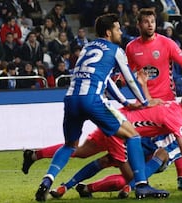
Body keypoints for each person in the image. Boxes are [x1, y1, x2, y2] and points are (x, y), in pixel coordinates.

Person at [34, 13, 167, 202]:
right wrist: (145, 102)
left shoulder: (87, 48)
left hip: (71, 98)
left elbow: (107, 81)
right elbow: (129, 78)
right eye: (117, 28)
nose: (120, 32)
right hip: (92, 99)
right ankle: (142, 185)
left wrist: (125, 103)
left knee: (70, 145)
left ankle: (47, 180)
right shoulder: (115, 50)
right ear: (108, 32)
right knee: (133, 135)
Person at [25, 91, 182, 199]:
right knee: (129, 178)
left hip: (114, 119)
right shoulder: (176, 117)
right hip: (122, 131)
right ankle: (138, 188)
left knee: (80, 151)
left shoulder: (167, 105)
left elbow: (147, 103)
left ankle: (36, 155)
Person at [74, 94, 182, 199]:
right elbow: (154, 109)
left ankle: (100, 187)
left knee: (161, 155)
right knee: (110, 161)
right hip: (146, 143)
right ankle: (84, 188)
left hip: (160, 158)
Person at [125, 8, 182, 190]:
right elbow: (128, 71)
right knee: (139, 139)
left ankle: (181, 177)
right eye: (146, 22)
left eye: (153, 21)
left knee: (175, 137)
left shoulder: (166, 43)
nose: (150, 25)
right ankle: (141, 177)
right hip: (145, 103)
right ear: (139, 24)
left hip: (167, 100)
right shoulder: (131, 47)